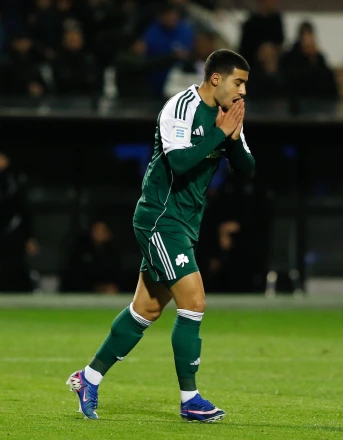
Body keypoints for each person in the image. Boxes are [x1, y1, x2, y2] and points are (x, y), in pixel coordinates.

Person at [66, 49, 254, 422]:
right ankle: (190, 399)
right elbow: (180, 162)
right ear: (216, 78)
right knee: (194, 302)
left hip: (185, 223)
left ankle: (89, 378)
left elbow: (247, 170)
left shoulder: (227, 114)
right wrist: (219, 134)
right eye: (239, 82)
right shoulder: (180, 108)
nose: (243, 91)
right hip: (160, 219)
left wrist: (232, 138)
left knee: (147, 309)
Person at [0, 152, 39, 292]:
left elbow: (25, 211)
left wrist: (30, 237)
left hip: (12, 236)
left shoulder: (15, 181)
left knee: (14, 268)